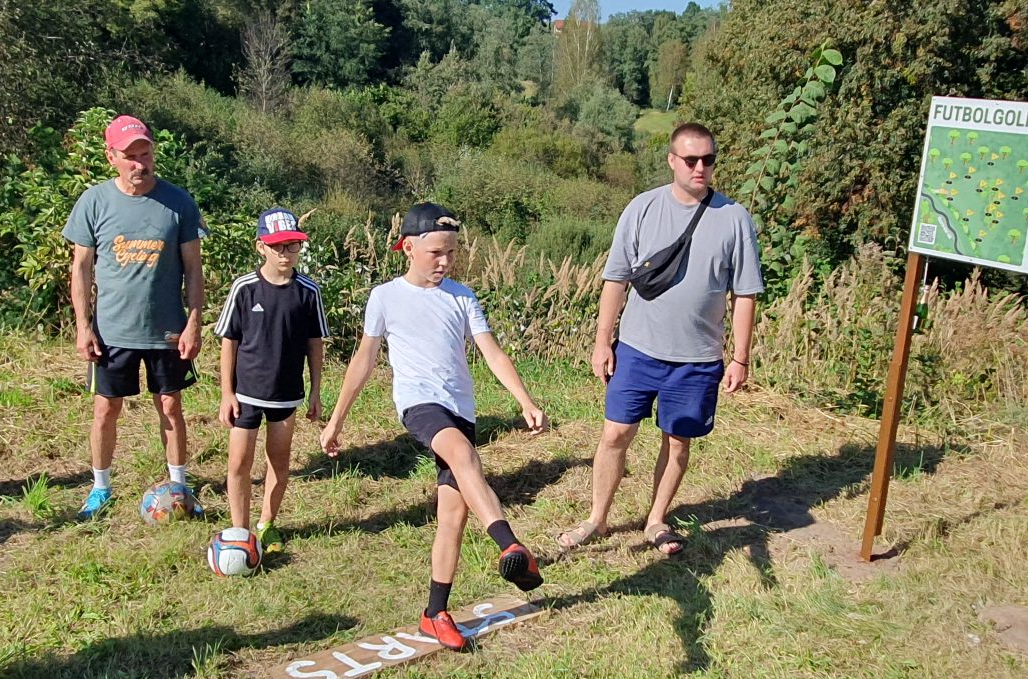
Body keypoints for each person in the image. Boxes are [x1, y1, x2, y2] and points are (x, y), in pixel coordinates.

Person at [319, 203, 547, 651]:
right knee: (461, 453)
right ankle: (509, 544)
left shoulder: (462, 297)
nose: (445, 262)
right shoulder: (386, 297)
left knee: (452, 516)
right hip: (419, 405)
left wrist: (526, 401)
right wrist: (335, 421)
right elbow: (363, 360)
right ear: (408, 248)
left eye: (452, 253)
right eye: (436, 253)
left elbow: (492, 352)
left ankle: (434, 613)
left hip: (461, 409)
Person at [557, 122, 763, 556]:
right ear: (672, 161)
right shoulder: (642, 208)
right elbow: (616, 279)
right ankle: (596, 519)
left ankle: (656, 520)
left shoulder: (734, 219)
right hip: (636, 350)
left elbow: (744, 294)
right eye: (690, 160)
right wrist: (602, 341)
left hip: (698, 359)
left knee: (677, 440)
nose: (700, 167)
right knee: (615, 433)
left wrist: (740, 358)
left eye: (708, 159)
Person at [65, 114, 206, 521]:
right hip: (112, 330)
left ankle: (179, 488)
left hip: (167, 330)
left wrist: (194, 322)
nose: (139, 163)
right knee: (105, 409)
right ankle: (100, 488)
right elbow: (81, 269)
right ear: (111, 156)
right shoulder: (93, 202)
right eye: (130, 156)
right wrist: (83, 326)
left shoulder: (178, 202)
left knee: (171, 405)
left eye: (145, 154)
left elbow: (194, 269)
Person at [215, 207, 326, 555]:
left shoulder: (309, 291)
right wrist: (227, 393)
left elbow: (315, 344)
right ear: (260, 246)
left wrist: (316, 392)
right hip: (246, 393)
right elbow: (229, 341)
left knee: (279, 461)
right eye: (277, 246)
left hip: (286, 394)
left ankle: (266, 523)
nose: (285, 253)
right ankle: (239, 530)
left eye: (292, 245)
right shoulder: (244, 288)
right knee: (239, 463)